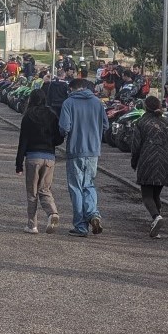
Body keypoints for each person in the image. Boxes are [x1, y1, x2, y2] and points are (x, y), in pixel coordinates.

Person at [58, 77, 108, 237]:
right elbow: (106, 125)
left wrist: (63, 136)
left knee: (76, 187)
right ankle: (93, 214)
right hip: (93, 151)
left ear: (72, 88)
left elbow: (64, 127)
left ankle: (80, 226)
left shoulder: (68, 103)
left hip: (75, 150)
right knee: (89, 185)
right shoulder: (97, 103)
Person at [15, 90, 64, 234]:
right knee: (45, 189)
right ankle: (52, 213)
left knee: (32, 193)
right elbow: (59, 138)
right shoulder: (52, 115)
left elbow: (23, 141)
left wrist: (18, 164)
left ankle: (32, 225)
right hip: (49, 157)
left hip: (32, 157)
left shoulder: (28, 116)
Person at [130, 95, 168, 238]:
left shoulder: (141, 122)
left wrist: (134, 162)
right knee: (156, 194)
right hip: (165, 161)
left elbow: (136, 146)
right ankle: (156, 221)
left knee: (146, 195)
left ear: (146, 106)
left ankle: (156, 217)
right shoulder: (167, 122)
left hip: (147, 160)